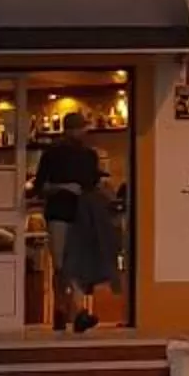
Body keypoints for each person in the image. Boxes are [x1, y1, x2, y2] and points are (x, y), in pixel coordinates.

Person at [32, 113, 117, 334]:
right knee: (68, 264)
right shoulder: (75, 155)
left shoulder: (80, 155)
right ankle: (71, 311)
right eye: (81, 128)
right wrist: (65, 187)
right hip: (71, 212)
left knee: (67, 265)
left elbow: (39, 188)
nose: (83, 132)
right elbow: (41, 187)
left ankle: (67, 311)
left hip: (66, 212)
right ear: (76, 129)